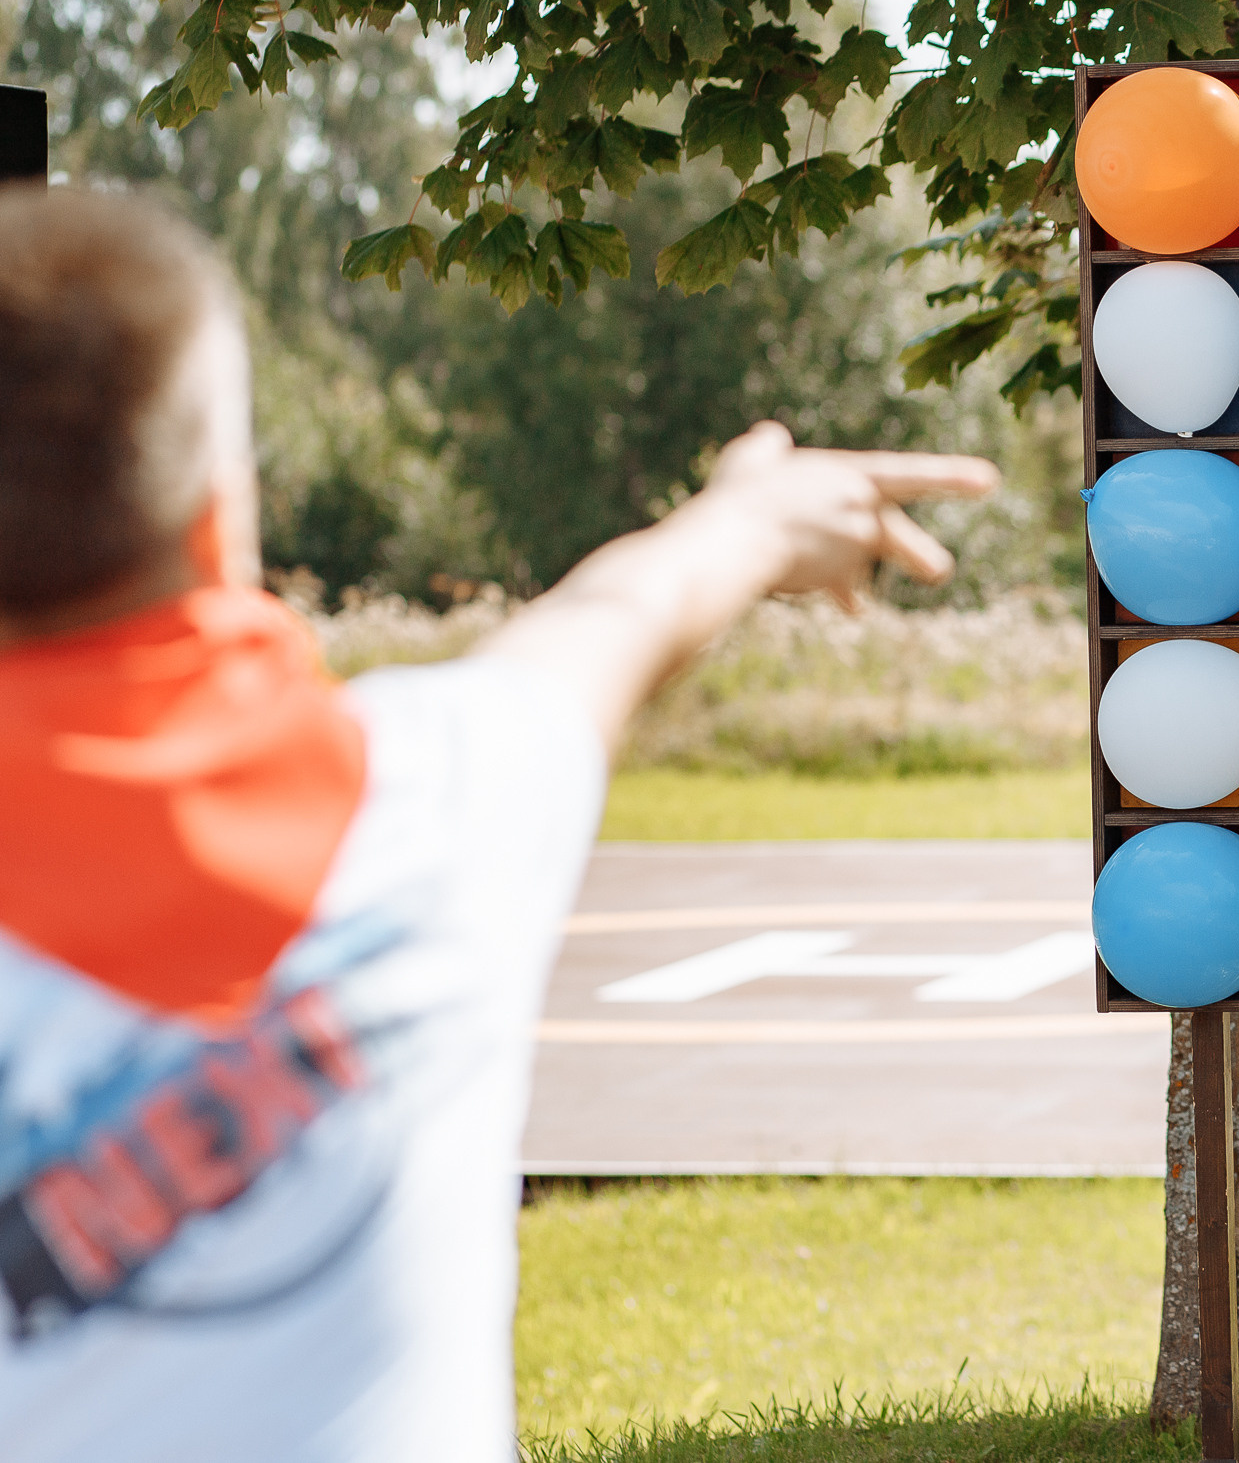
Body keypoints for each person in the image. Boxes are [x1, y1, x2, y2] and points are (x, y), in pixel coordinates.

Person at [0, 186, 1000, 1460]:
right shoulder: (435, 804)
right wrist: (753, 514)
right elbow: (619, 614)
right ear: (220, 508)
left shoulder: (448, 788)